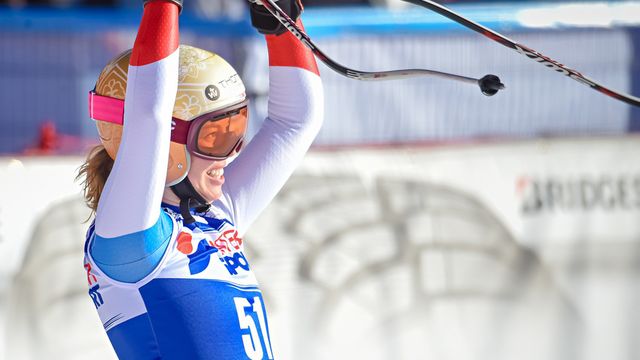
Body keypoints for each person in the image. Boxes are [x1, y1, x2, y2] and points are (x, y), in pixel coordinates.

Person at [77, 0, 323, 357]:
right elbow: (149, 114)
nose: (234, 151)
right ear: (168, 144)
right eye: (216, 136)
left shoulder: (215, 217)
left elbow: (297, 121)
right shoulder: (130, 237)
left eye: (237, 128)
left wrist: (280, 22)